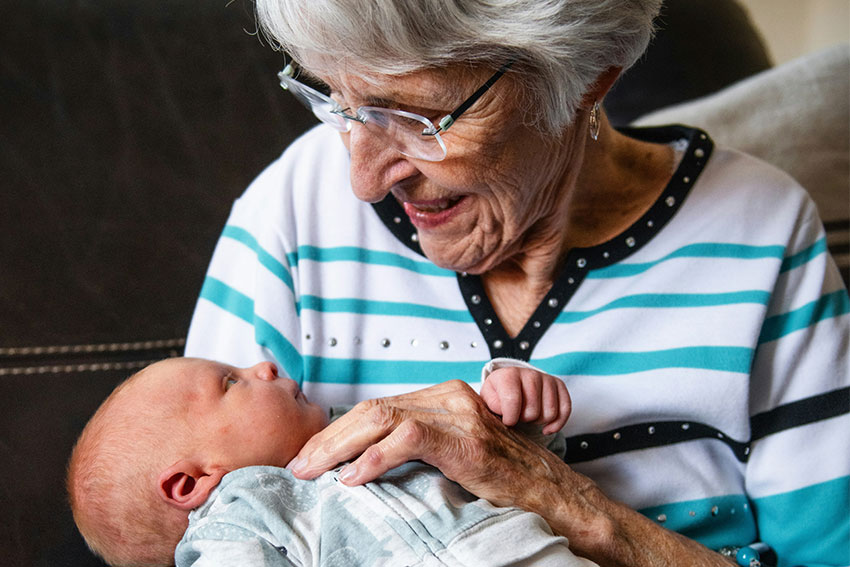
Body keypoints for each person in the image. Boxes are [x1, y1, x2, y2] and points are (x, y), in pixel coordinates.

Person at [184, 1, 850, 565]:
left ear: (590, 74)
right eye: (337, 98)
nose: (362, 178)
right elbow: (182, 518)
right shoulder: (297, 209)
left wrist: (561, 499)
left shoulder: (760, 232)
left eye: (417, 120)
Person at [67, 356, 590, 566]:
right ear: (193, 481)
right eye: (230, 382)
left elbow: (517, 465)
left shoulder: (372, 428)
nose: (264, 365)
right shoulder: (239, 518)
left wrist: (513, 398)